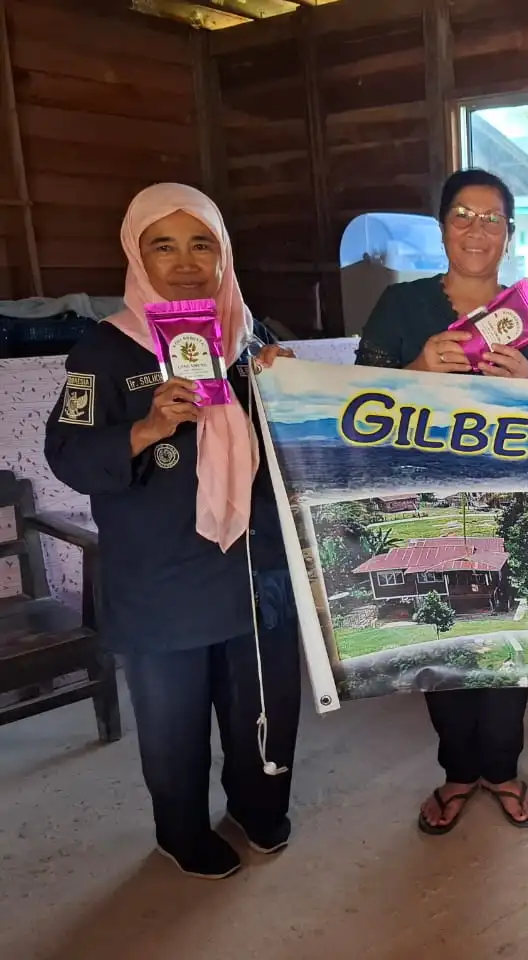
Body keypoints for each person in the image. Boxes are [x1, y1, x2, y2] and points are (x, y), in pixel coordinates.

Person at [44, 183, 301, 880]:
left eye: (202, 244)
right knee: (173, 723)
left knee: (263, 705)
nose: (186, 262)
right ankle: (180, 831)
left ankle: (259, 807)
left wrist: (290, 393)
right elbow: (65, 455)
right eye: (165, 244)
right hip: (160, 578)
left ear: (224, 255)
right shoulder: (101, 350)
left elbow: (300, 450)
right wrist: (148, 427)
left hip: (255, 567)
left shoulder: (253, 339)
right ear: (136, 253)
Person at [356, 168, 528, 834]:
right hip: (422, 499)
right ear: (443, 226)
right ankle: (458, 773)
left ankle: (501, 769)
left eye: (492, 218)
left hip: (509, 503)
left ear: (510, 232)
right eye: (463, 216)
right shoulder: (400, 307)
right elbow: (353, 401)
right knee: (440, 636)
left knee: (506, 638)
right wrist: (416, 369)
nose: (478, 230)